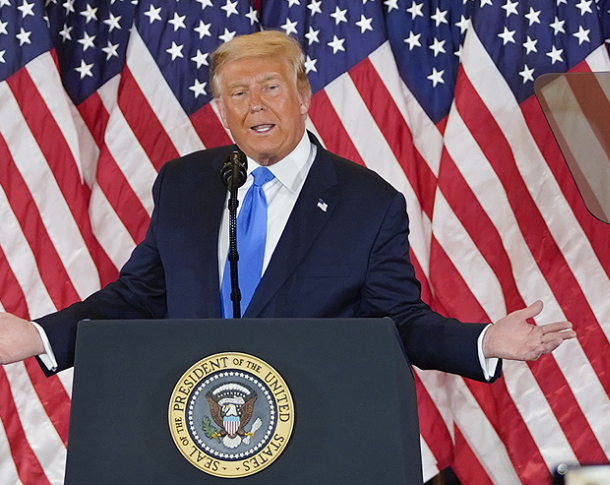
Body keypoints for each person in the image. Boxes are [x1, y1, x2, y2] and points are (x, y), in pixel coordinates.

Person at [0, 31, 575, 379]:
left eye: (271, 87)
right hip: (193, 430)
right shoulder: (184, 183)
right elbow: (138, 297)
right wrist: (36, 336)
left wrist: (482, 342)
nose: (256, 104)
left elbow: (397, 321)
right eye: (238, 93)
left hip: (311, 431)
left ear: (302, 97)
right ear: (221, 111)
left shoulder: (368, 202)